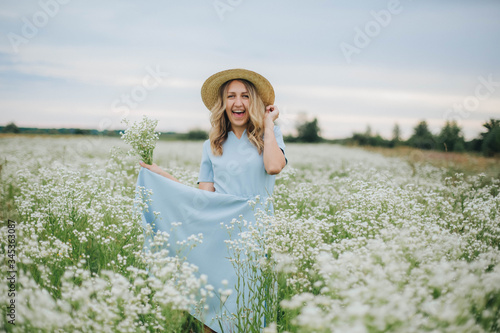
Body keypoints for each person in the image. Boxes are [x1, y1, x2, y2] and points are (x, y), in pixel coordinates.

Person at [136, 68, 287, 332]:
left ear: (254, 102)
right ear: (223, 103)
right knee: (214, 316)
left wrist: (269, 125)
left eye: (244, 96)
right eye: (230, 96)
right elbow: (203, 199)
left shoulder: (268, 137)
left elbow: (274, 167)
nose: (237, 103)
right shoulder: (212, 144)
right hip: (221, 236)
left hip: (256, 232)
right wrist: (162, 176)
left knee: (247, 310)